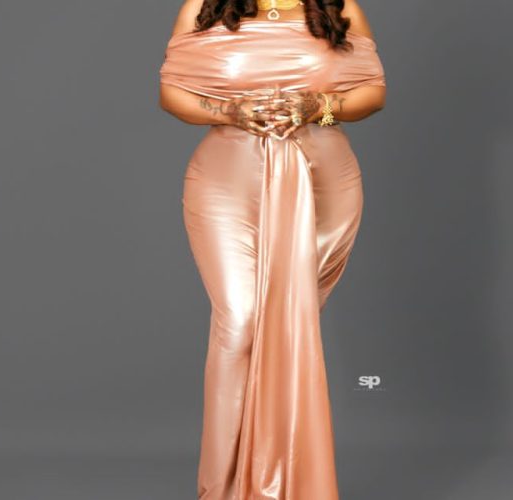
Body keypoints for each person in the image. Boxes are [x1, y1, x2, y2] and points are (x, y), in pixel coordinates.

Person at [159, 1, 386, 498]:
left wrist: (318, 108)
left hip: (322, 179)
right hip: (227, 177)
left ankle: (282, 483)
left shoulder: (336, 6)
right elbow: (172, 93)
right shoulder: (205, 6)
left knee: (287, 325)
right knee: (241, 321)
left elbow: (373, 92)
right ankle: (224, 488)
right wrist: (231, 111)